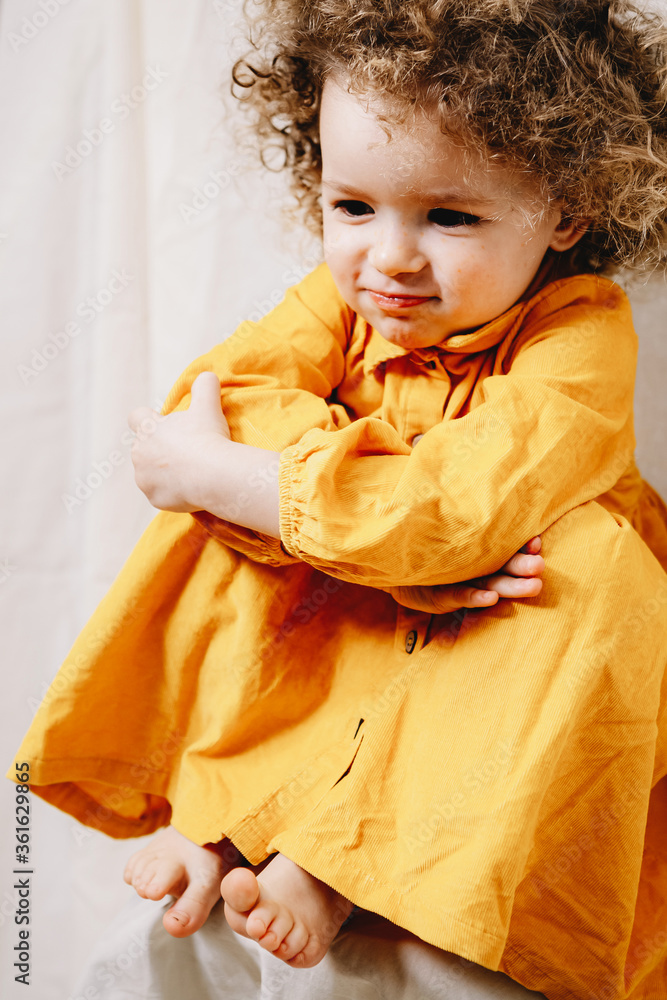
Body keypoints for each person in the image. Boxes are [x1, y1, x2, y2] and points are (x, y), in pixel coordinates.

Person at [9, 0, 667, 996]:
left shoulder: (577, 336)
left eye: (450, 216)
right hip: (354, 606)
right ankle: (224, 824)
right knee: (220, 540)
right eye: (352, 206)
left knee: (581, 575)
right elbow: (216, 400)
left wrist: (270, 488)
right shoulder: (337, 303)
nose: (389, 257)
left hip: (488, 627)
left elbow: (457, 511)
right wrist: (347, 524)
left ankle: (338, 862)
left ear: (567, 211)